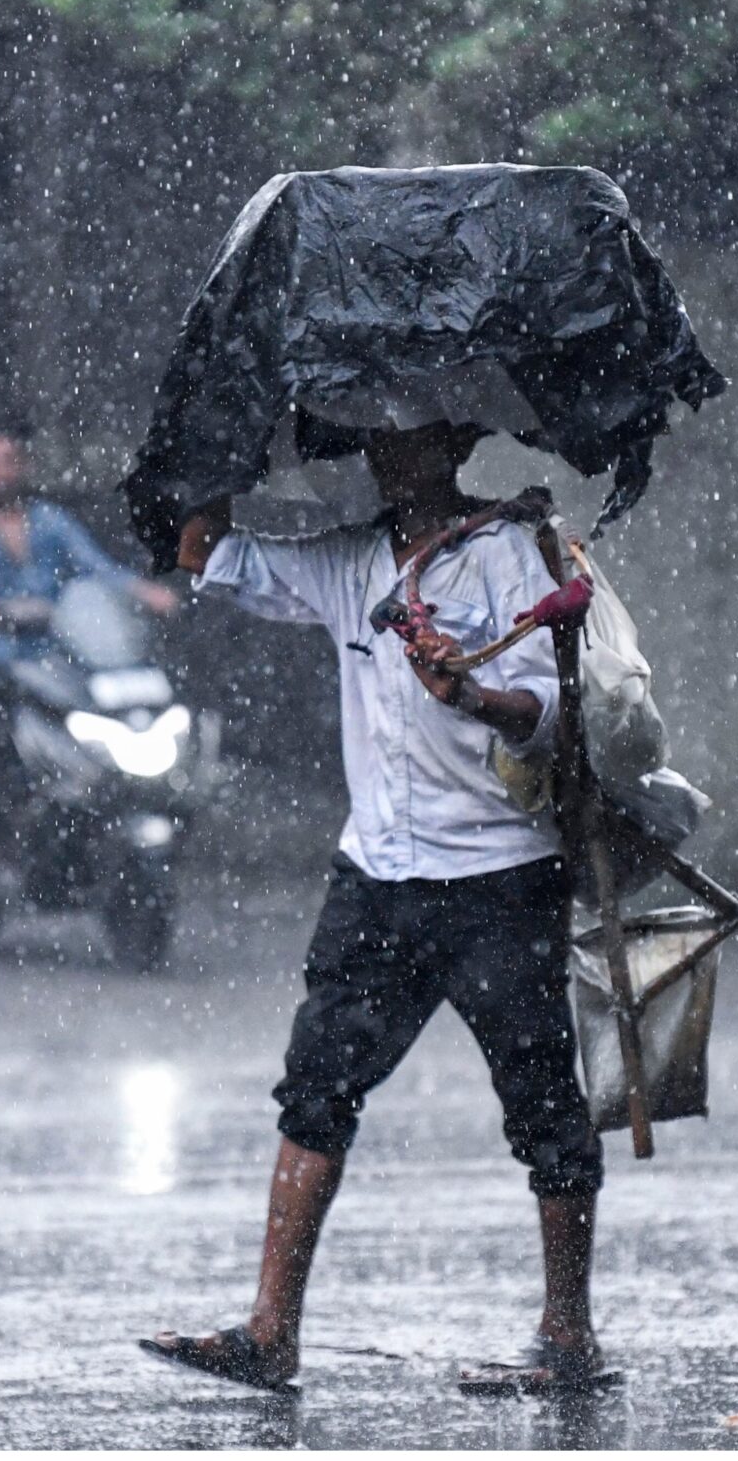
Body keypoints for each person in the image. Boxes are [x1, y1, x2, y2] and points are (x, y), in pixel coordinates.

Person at [139, 419, 607, 1397]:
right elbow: (210, 554)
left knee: (543, 1103)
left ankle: (567, 1335)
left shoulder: (507, 557)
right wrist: (208, 448)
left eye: (413, 434)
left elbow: (546, 707)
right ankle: (270, 1331)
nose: (394, 453)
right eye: (379, 437)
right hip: (378, 878)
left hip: (500, 876)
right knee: (315, 1090)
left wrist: (470, 694)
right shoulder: (350, 564)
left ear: (452, 442)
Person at [0, 423, 179, 868]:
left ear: (25, 466)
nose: (1, 472)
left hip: (48, 664)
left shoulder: (50, 522)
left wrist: (145, 594)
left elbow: (96, 569)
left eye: (10, 461)